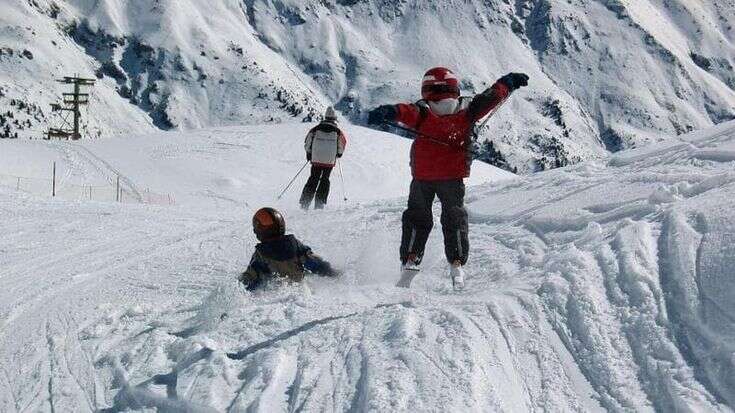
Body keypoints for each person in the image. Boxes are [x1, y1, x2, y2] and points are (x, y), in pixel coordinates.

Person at [367, 67, 528, 290]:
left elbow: (402, 111)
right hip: (452, 177)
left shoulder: (423, 112)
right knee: (454, 218)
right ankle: (456, 264)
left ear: (427, 89)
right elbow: (492, 96)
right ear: (454, 88)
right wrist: (509, 82)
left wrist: (385, 112)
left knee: (417, 218)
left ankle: (411, 260)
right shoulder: (469, 109)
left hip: (423, 176)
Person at [240, 207, 339, 290]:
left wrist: (238, 286)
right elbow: (313, 262)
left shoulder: (261, 253)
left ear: (259, 230)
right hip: (300, 288)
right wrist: (331, 272)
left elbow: (250, 278)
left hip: (276, 292)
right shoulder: (294, 244)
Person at [300, 107, 348, 209]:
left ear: (325, 117)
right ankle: (320, 203)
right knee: (325, 179)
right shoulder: (338, 131)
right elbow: (342, 144)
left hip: (316, 158)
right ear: (334, 118)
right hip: (329, 160)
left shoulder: (315, 129)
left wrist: (309, 153)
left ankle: (305, 202)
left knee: (313, 178)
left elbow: (307, 141)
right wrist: (339, 154)